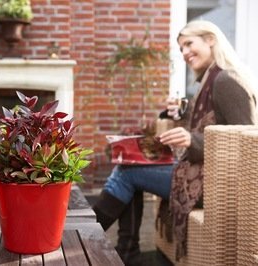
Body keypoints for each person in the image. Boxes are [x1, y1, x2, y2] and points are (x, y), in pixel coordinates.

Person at [93, 20, 257, 265]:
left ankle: (90, 235)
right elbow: (209, 124)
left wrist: (193, 139)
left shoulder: (226, 80)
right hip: (199, 173)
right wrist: (176, 115)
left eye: (189, 44)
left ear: (210, 39)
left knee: (126, 173)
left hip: (216, 185)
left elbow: (247, 140)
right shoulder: (209, 80)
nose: (184, 53)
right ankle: (125, 253)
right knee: (128, 167)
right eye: (181, 48)